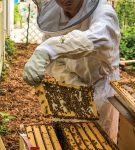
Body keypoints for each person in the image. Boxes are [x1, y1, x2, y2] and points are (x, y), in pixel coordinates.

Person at [23, 0, 120, 143]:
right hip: (69, 88)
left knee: (99, 140)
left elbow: (98, 39)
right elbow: (55, 62)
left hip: (100, 88)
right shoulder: (54, 16)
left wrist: (50, 48)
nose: (65, 0)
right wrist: (71, 81)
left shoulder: (103, 12)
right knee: (66, 138)